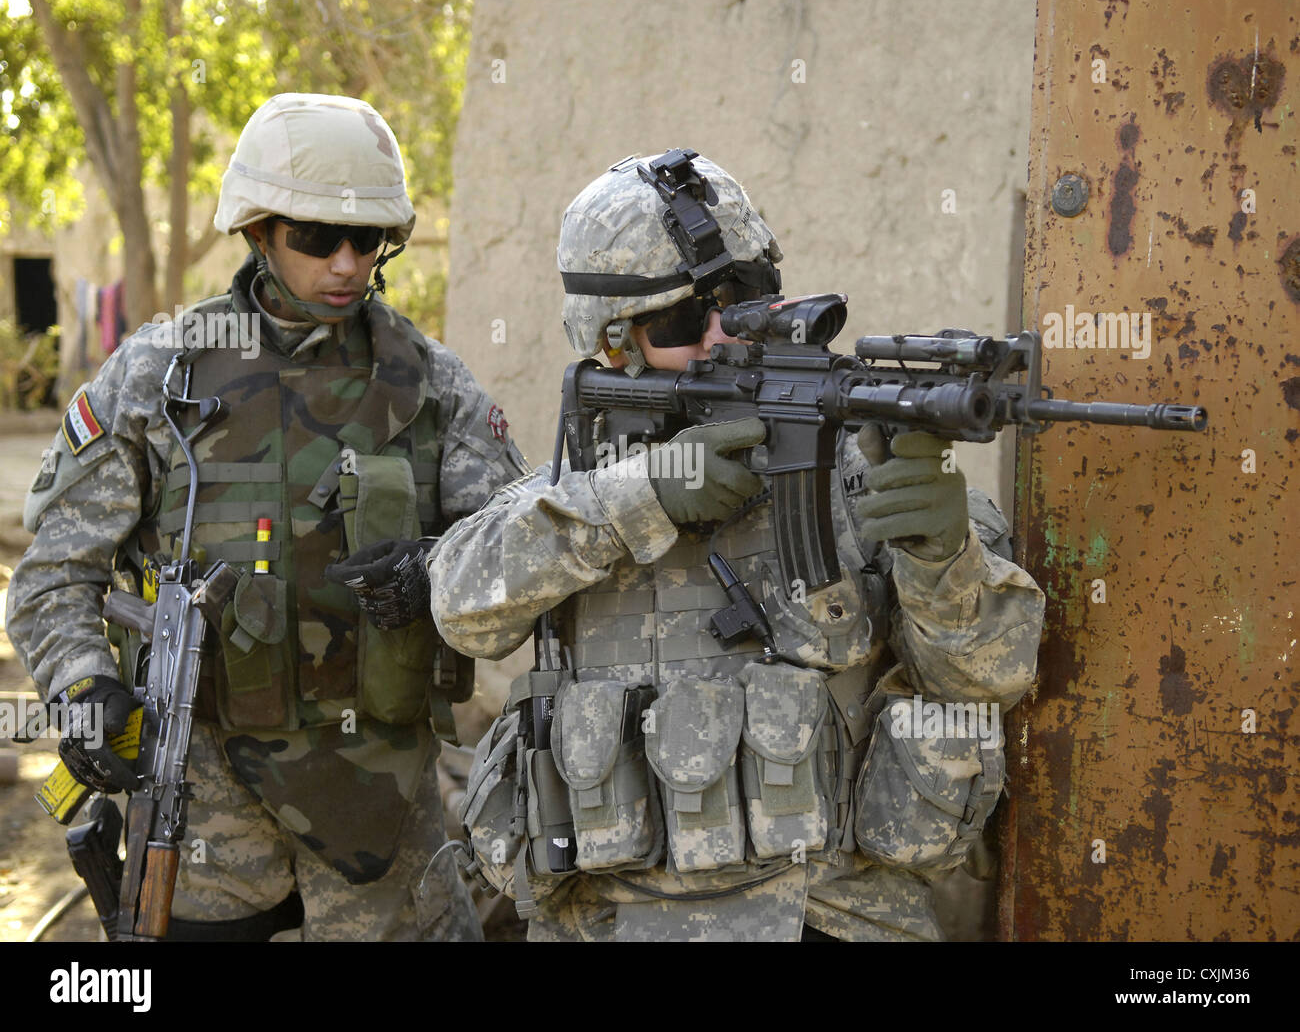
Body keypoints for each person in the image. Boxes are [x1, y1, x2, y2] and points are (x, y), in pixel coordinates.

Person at [427, 150, 1047, 941]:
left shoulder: (858, 468)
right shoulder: (578, 493)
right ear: (612, 343)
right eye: (686, 321)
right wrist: (640, 498)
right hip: (609, 922)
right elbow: (461, 607)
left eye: (746, 300)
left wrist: (941, 556)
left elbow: (993, 675)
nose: (725, 333)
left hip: (827, 917)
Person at [6, 93, 528, 941]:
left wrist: (438, 567)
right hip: (203, 803)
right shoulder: (161, 375)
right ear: (256, 230)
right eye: (318, 238)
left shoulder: (428, 381)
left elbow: (519, 551)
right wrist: (82, 686)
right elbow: (53, 574)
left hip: (381, 808)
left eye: (371, 241)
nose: (348, 264)